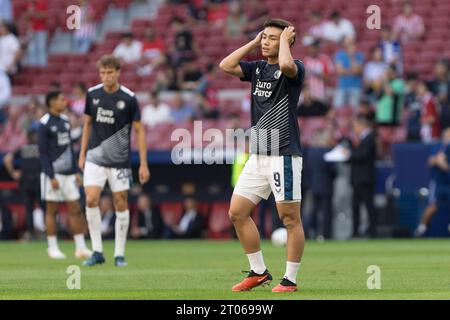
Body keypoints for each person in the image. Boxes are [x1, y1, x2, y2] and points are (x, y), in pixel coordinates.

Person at [220, 18, 305, 292]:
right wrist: (254, 42)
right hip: (259, 154)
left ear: (286, 41)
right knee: (237, 212)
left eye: (272, 37)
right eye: (265, 36)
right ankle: (258, 272)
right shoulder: (256, 69)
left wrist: (283, 43)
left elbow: (286, 65)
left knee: (289, 218)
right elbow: (226, 65)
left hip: (284, 154)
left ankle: (290, 279)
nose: (266, 41)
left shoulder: (294, 68)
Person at [78, 55, 150, 267]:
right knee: (91, 199)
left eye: (110, 72)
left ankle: (119, 254)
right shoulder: (92, 94)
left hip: (120, 161)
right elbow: (87, 125)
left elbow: (139, 130)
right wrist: (82, 153)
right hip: (94, 157)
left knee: (120, 202)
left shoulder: (128, 98)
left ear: (118, 72)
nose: (106, 76)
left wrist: (144, 163)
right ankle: (97, 251)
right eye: (103, 73)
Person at [38, 91, 91, 259]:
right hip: (53, 173)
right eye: (61, 99)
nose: (64, 101)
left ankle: (80, 247)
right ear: (51, 102)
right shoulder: (44, 123)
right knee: (52, 210)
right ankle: (52, 247)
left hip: (69, 174)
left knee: (75, 208)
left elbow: (69, 148)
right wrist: (50, 175)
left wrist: (75, 170)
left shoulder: (66, 121)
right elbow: (43, 153)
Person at [3, 128, 42, 240]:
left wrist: (14, 173)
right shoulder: (40, 148)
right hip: (37, 181)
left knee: (29, 208)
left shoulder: (23, 149)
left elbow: (7, 159)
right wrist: (14, 172)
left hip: (26, 182)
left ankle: (32, 233)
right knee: (42, 207)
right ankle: (46, 233)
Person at [344, 114, 377, 238]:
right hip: (357, 178)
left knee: (368, 206)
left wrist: (349, 154)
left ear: (362, 125)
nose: (355, 129)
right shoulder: (361, 139)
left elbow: (363, 155)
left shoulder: (370, 138)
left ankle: (372, 231)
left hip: (365, 178)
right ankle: (355, 231)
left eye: (356, 126)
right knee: (356, 206)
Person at [415, 128, 450, 236]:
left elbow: (444, 166)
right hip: (439, 183)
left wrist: (443, 164)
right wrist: (437, 161)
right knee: (433, 205)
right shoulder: (437, 146)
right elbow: (430, 162)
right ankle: (421, 228)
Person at [334, 38, 364, 109]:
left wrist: (352, 57)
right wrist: (352, 70)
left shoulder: (359, 55)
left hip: (355, 87)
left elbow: (358, 72)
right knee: (338, 108)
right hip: (342, 87)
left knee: (354, 111)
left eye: (351, 43)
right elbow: (340, 72)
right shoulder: (339, 55)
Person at [24, 0, 49, 66]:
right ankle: (33, 67)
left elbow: (46, 15)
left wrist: (35, 13)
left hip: (41, 29)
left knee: (41, 49)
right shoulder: (29, 3)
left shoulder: (42, 2)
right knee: (31, 49)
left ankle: (42, 67)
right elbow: (28, 17)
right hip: (32, 29)